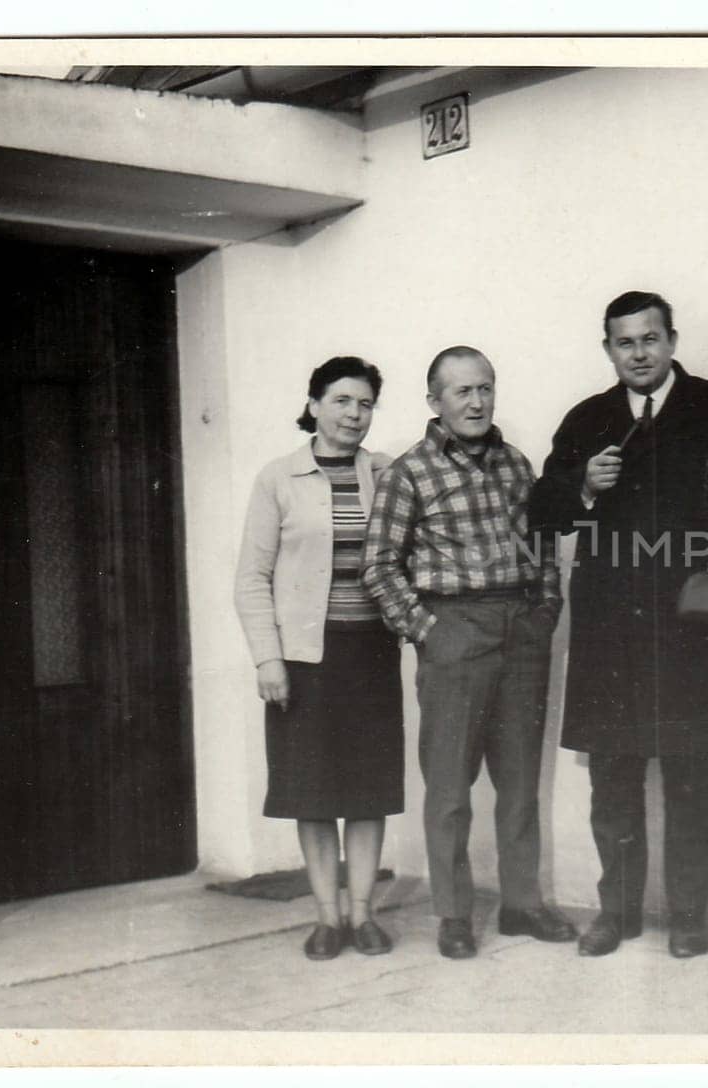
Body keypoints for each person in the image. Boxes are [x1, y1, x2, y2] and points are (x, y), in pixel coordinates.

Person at [529, 291, 708, 958]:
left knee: (691, 776)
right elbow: (541, 509)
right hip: (610, 631)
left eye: (650, 339)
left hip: (692, 625)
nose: (640, 353)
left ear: (672, 340)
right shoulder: (587, 419)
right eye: (625, 343)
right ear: (608, 350)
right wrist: (583, 487)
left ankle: (687, 916)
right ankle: (616, 912)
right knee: (613, 778)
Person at [360, 346, 575, 960]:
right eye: (462, 392)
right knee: (450, 789)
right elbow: (378, 566)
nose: (477, 401)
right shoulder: (409, 473)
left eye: (485, 388)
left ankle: (523, 904)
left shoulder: (516, 465)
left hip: (521, 629)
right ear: (435, 402)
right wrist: (429, 630)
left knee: (520, 783)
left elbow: (543, 544)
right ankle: (454, 913)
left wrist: (545, 612)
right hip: (453, 632)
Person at [233, 356, 404, 961]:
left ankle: (362, 916)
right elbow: (251, 577)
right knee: (312, 792)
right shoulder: (278, 478)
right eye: (341, 401)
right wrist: (267, 659)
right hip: (305, 657)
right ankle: (326, 918)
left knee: (367, 789)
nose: (354, 414)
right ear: (313, 404)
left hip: (372, 653)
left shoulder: (386, 473)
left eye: (364, 404)